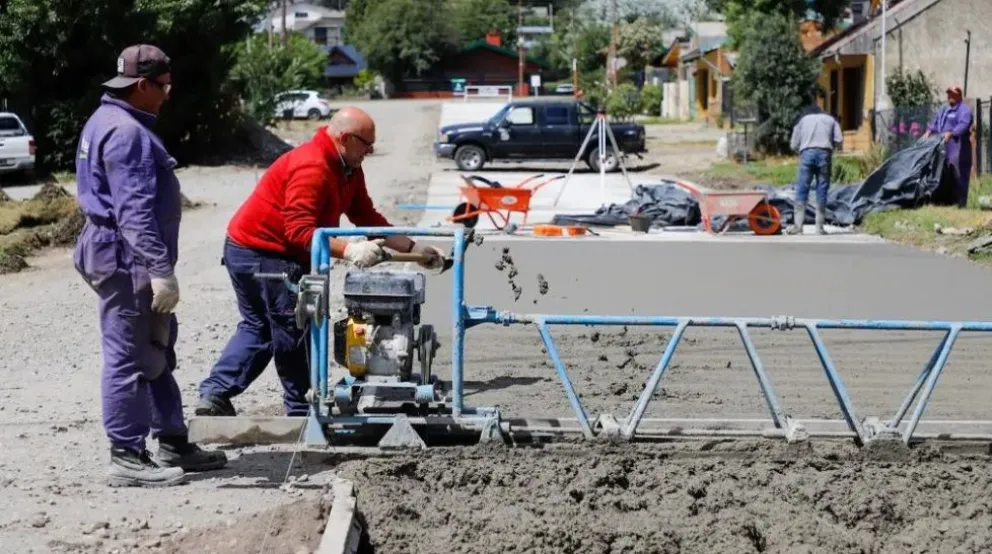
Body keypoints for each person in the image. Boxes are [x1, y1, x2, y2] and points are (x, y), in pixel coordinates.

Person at [195, 107, 445, 418]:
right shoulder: (313, 166)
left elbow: (365, 216)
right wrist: (349, 250)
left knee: (260, 328)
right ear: (345, 138)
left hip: (251, 247)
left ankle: (215, 394)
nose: (371, 150)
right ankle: (302, 412)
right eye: (367, 144)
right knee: (292, 328)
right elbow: (298, 230)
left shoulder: (348, 167)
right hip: (263, 252)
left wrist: (415, 248)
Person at [73, 44, 228, 487]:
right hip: (127, 259)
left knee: (156, 348)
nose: (168, 93)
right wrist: (161, 269)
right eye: (163, 85)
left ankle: (173, 440)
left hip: (119, 253)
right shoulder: (128, 134)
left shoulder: (104, 119)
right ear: (142, 85)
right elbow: (134, 212)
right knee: (128, 356)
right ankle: (126, 453)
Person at [787, 101, 843, 235]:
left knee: (802, 188)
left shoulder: (802, 120)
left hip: (806, 154)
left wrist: (801, 149)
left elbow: (794, 144)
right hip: (825, 154)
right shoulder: (831, 120)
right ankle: (819, 228)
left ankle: (798, 226)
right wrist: (832, 146)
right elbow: (839, 140)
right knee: (822, 189)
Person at [922, 86, 973, 208]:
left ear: (959, 96)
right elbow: (935, 123)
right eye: (949, 94)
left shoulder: (964, 110)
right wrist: (928, 132)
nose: (950, 96)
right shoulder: (944, 109)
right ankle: (945, 201)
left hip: (958, 146)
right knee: (943, 173)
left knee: (958, 174)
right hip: (942, 147)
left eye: (953, 94)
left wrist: (952, 133)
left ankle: (960, 203)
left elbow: (964, 125)